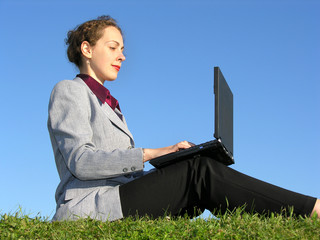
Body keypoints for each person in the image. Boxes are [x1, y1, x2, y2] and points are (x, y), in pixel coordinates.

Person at [48, 16, 320, 222]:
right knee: (198, 173)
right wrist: (153, 152)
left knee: (196, 165)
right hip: (88, 206)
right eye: (113, 47)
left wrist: (171, 161)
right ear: (87, 49)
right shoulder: (69, 91)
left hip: (120, 196)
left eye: (122, 48)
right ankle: (310, 210)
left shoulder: (110, 104)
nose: (122, 55)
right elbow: (81, 162)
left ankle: (272, 219)